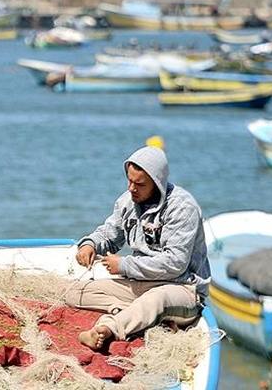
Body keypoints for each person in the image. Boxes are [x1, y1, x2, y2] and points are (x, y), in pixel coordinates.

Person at [64, 146, 211, 350]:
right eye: (129, 180)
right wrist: (90, 245)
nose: (132, 188)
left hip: (182, 288)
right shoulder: (128, 200)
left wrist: (124, 266)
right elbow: (109, 234)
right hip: (140, 282)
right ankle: (134, 315)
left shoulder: (182, 208)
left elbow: (175, 263)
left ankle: (107, 329)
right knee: (73, 292)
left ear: (157, 183)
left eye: (139, 184)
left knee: (155, 300)